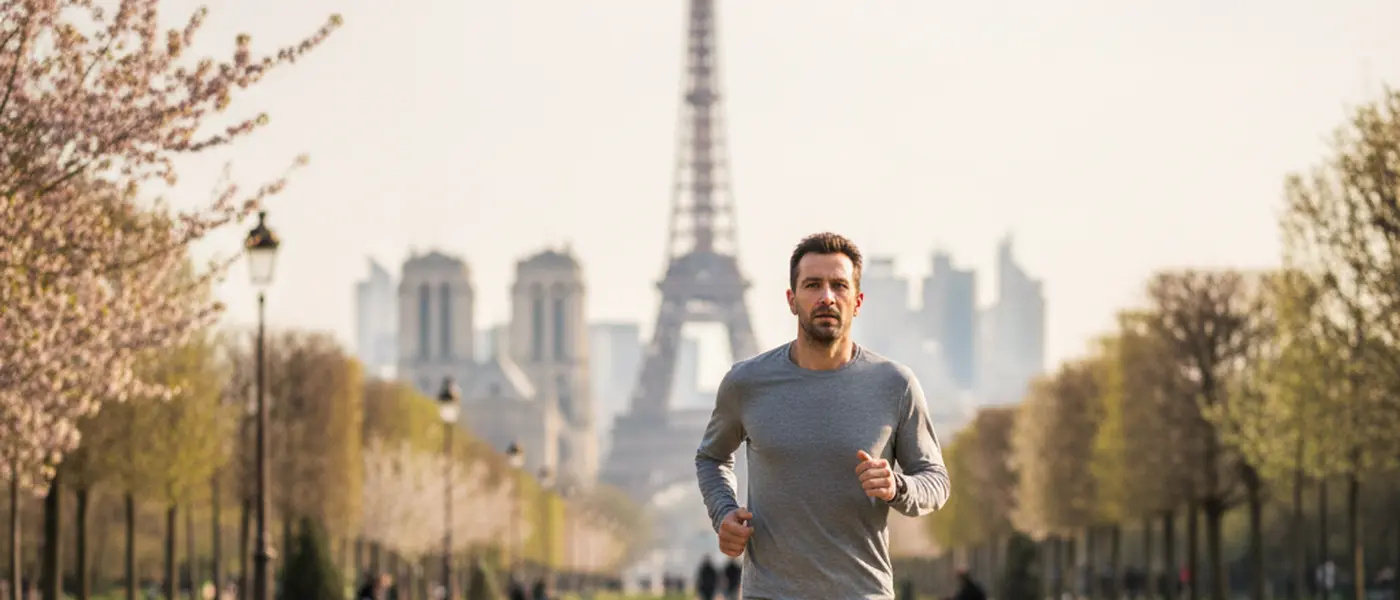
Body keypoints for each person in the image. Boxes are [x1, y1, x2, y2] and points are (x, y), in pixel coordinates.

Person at [695, 232, 952, 600]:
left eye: (839, 286)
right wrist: (724, 512)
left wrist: (897, 486)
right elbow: (711, 456)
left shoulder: (896, 384)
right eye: (813, 285)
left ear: (857, 300)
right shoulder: (746, 382)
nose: (826, 297)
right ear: (791, 299)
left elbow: (936, 481)